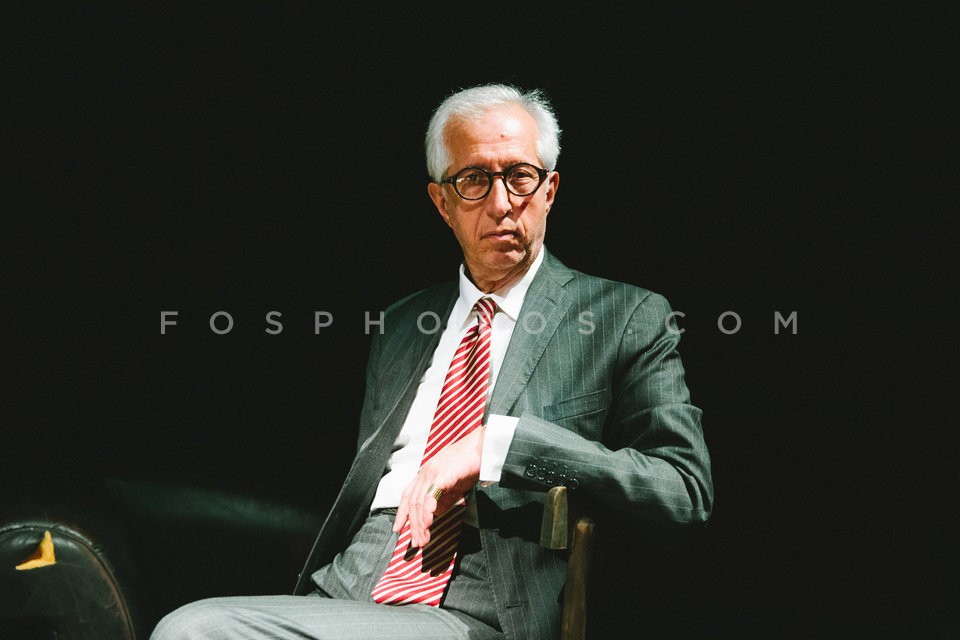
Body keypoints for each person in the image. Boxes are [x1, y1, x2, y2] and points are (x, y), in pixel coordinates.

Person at [151, 84, 713, 640]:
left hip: (485, 601)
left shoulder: (621, 315)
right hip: (354, 584)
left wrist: (502, 446)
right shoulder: (402, 325)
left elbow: (682, 492)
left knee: (195, 632)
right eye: (474, 180)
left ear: (549, 190)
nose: (501, 204)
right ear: (442, 204)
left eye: (520, 177)